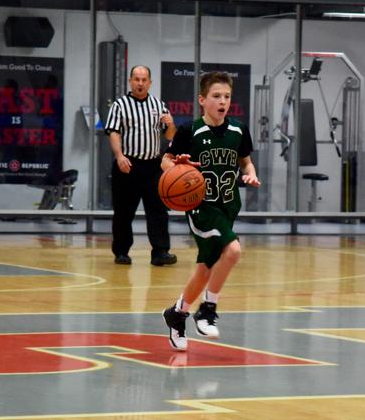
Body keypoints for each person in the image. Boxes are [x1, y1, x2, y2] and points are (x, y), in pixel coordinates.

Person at [161, 71, 260, 351]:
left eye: (227, 96)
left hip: (228, 206)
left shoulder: (238, 130)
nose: (223, 101)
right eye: (216, 96)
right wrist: (177, 166)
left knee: (205, 270)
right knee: (233, 250)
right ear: (202, 100)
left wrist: (251, 174)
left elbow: (246, 162)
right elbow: (165, 161)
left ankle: (177, 313)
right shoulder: (189, 131)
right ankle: (207, 310)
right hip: (201, 207)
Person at [104, 65, 178, 266]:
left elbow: (169, 135)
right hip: (128, 164)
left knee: (158, 210)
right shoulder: (120, 105)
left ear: (150, 83)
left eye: (144, 79)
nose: (140, 83)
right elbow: (113, 132)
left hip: (153, 166)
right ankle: (121, 251)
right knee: (124, 211)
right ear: (130, 81)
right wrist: (119, 156)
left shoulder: (158, 105)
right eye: (136, 79)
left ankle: (160, 252)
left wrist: (171, 123)